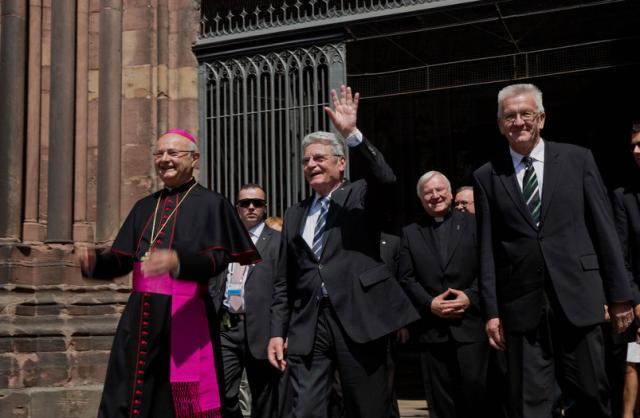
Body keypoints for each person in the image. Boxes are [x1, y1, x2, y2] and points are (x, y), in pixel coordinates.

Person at [472, 83, 634, 418]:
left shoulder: (578, 159)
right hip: (521, 305)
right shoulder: (486, 176)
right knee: (528, 403)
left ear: (541, 118)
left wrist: (620, 294)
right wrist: (491, 312)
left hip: (579, 295)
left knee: (591, 392)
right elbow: (486, 249)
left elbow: (604, 230)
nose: (518, 122)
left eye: (526, 114)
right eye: (509, 116)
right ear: (500, 124)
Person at [78, 129, 259, 418]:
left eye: (173, 153)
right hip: (139, 317)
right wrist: (95, 263)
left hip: (187, 314)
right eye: (159, 153)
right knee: (130, 392)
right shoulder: (144, 206)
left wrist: (178, 261)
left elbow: (218, 260)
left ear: (194, 159)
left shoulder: (212, 204)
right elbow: (122, 260)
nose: (164, 159)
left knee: (181, 403)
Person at [267, 85, 419, 418]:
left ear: (340, 163)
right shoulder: (294, 213)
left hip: (357, 316)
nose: (311, 164)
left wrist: (352, 135)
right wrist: (277, 331)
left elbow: (386, 179)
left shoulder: (360, 196)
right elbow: (284, 280)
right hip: (309, 323)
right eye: (306, 160)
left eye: (319, 158)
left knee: (368, 407)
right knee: (306, 409)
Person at [398, 171, 488, 418]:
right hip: (432, 330)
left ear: (450, 194)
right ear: (421, 199)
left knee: (476, 393)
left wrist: (470, 296)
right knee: (440, 401)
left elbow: (488, 267)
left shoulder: (475, 224)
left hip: (471, 326)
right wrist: (429, 304)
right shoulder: (411, 233)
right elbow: (406, 278)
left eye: (440, 190)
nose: (435, 196)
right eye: (428, 193)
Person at [209, 184, 282, 418]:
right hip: (227, 327)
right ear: (237, 207)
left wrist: (280, 331)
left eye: (257, 203)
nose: (251, 207)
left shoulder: (278, 241)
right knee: (224, 392)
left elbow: (283, 289)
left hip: (262, 328)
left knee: (264, 396)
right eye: (245, 203)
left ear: (265, 207)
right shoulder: (224, 240)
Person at [612, 122, 640, 418]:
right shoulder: (624, 197)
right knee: (634, 362)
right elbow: (621, 257)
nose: (636, 150)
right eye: (633, 145)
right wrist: (637, 302)